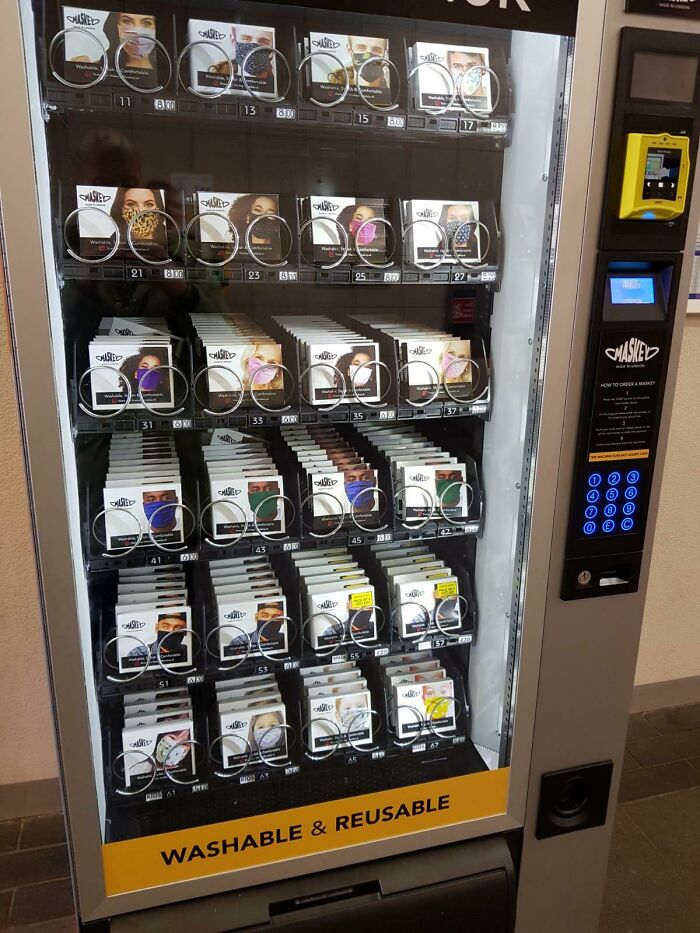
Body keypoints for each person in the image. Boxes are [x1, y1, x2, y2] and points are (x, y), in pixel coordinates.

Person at [110, 187, 167, 252]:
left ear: (158, 207)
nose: (140, 211)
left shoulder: (170, 239)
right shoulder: (111, 244)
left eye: (149, 205)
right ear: (121, 209)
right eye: (131, 204)